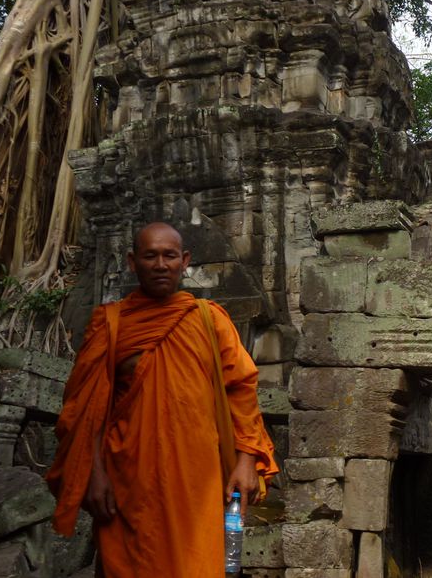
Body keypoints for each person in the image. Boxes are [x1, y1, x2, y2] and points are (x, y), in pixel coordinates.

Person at [46, 222, 278, 577]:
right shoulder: (109, 325)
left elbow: (242, 389)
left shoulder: (208, 320)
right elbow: (87, 410)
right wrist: (94, 473)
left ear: (184, 260)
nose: (160, 264)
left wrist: (247, 460)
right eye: (149, 255)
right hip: (128, 483)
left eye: (169, 255)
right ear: (131, 261)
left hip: (198, 483)